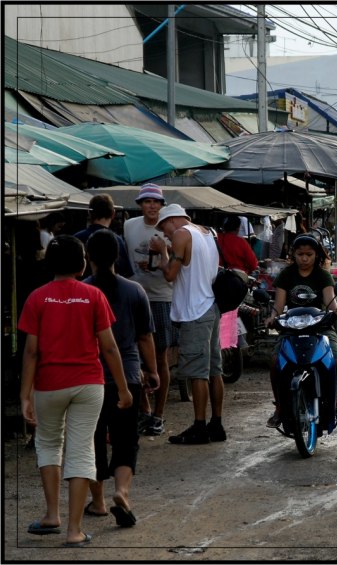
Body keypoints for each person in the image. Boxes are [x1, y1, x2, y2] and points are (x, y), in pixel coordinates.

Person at [18, 235, 132, 547]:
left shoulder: (37, 298)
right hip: (88, 383)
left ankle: (52, 515)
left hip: (49, 384)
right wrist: (123, 388)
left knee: (49, 444)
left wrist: (24, 394)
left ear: (48, 264)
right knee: (82, 448)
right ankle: (74, 530)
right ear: (82, 264)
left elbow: (30, 352)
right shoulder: (93, 295)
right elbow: (108, 347)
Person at [83, 230, 159, 528]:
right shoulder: (135, 290)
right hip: (127, 376)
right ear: (118, 256)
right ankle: (122, 492)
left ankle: (99, 502)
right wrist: (152, 370)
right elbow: (145, 337)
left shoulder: (83, 292)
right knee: (126, 439)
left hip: (91, 377)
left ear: (88, 257)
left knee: (94, 439)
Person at [150, 204, 226, 444]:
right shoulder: (206, 232)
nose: (165, 234)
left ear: (172, 221)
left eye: (164, 229)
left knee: (197, 372)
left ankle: (199, 426)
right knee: (214, 369)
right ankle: (216, 424)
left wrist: (163, 252)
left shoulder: (182, 234)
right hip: (211, 305)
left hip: (195, 311)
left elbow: (170, 274)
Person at [264, 235, 337, 427]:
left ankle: (335, 399)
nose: (304, 258)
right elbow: (278, 306)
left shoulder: (323, 275)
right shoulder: (286, 275)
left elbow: (330, 301)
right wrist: (272, 317)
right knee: (276, 362)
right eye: (300, 254)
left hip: (320, 327)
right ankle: (279, 407)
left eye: (308, 254)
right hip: (291, 328)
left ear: (316, 255)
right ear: (293, 254)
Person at [122, 183, 176, 437]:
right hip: (134, 297)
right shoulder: (129, 226)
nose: (152, 206)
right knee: (136, 357)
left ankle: (159, 414)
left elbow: (176, 267)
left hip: (161, 297)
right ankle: (144, 408)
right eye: (147, 202)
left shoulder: (169, 229)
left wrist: (161, 256)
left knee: (161, 357)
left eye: (156, 202)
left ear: (162, 206)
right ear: (140, 205)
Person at [74, 194, 134, 278]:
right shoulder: (117, 240)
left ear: (89, 212)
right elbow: (126, 273)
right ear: (113, 213)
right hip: (111, 289)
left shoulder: (76, 239)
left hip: (82, 289)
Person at [217, 215, 259, 282]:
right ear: (238, 228)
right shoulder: (241, 242)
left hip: (217, 277)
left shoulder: (216, 238)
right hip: (237, 280)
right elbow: (253, 264)